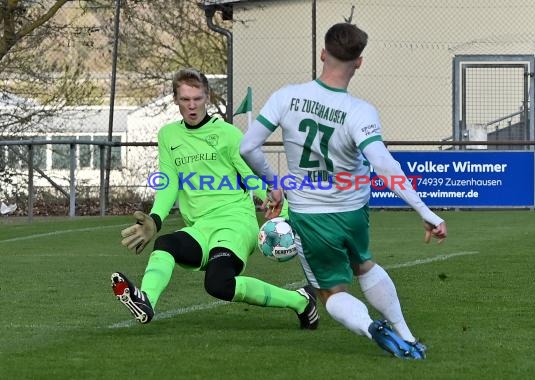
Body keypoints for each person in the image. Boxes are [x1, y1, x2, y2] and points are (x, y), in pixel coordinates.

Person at [239, 23, 447, 359]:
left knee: (330, 292)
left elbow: (248, 146)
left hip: (310, 215)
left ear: (323, 54)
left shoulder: (286, 96)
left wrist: (274, 185)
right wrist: (426, 212)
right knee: (363, 264)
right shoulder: (360, 111)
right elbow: (383, 163)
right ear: (359, 62)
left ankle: (371, 328)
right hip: (352, 211)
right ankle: (406, 335)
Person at [112, 68, 319, 331]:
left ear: (207, 97)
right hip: (200, 228)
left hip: (236, 223)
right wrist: (155, 219)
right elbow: (169, 183)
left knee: (218, 284)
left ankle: (300, 302)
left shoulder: (228, 134)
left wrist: (282, 207)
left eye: (197, 98)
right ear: (175, 99)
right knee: (166, 243)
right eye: (185, 99)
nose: (192, 105)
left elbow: (250, 176)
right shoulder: (168, 136)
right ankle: (146, 301)